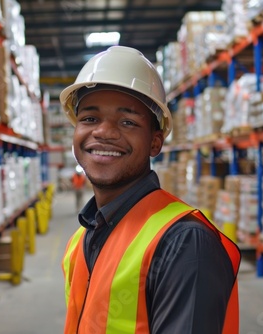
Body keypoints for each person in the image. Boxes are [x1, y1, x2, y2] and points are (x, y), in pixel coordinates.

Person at [59, 45, 241, 333]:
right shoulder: (81, 239)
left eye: (128, 121)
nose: (103, 132)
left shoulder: (184, 243)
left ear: (155, 142)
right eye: (90, 119)